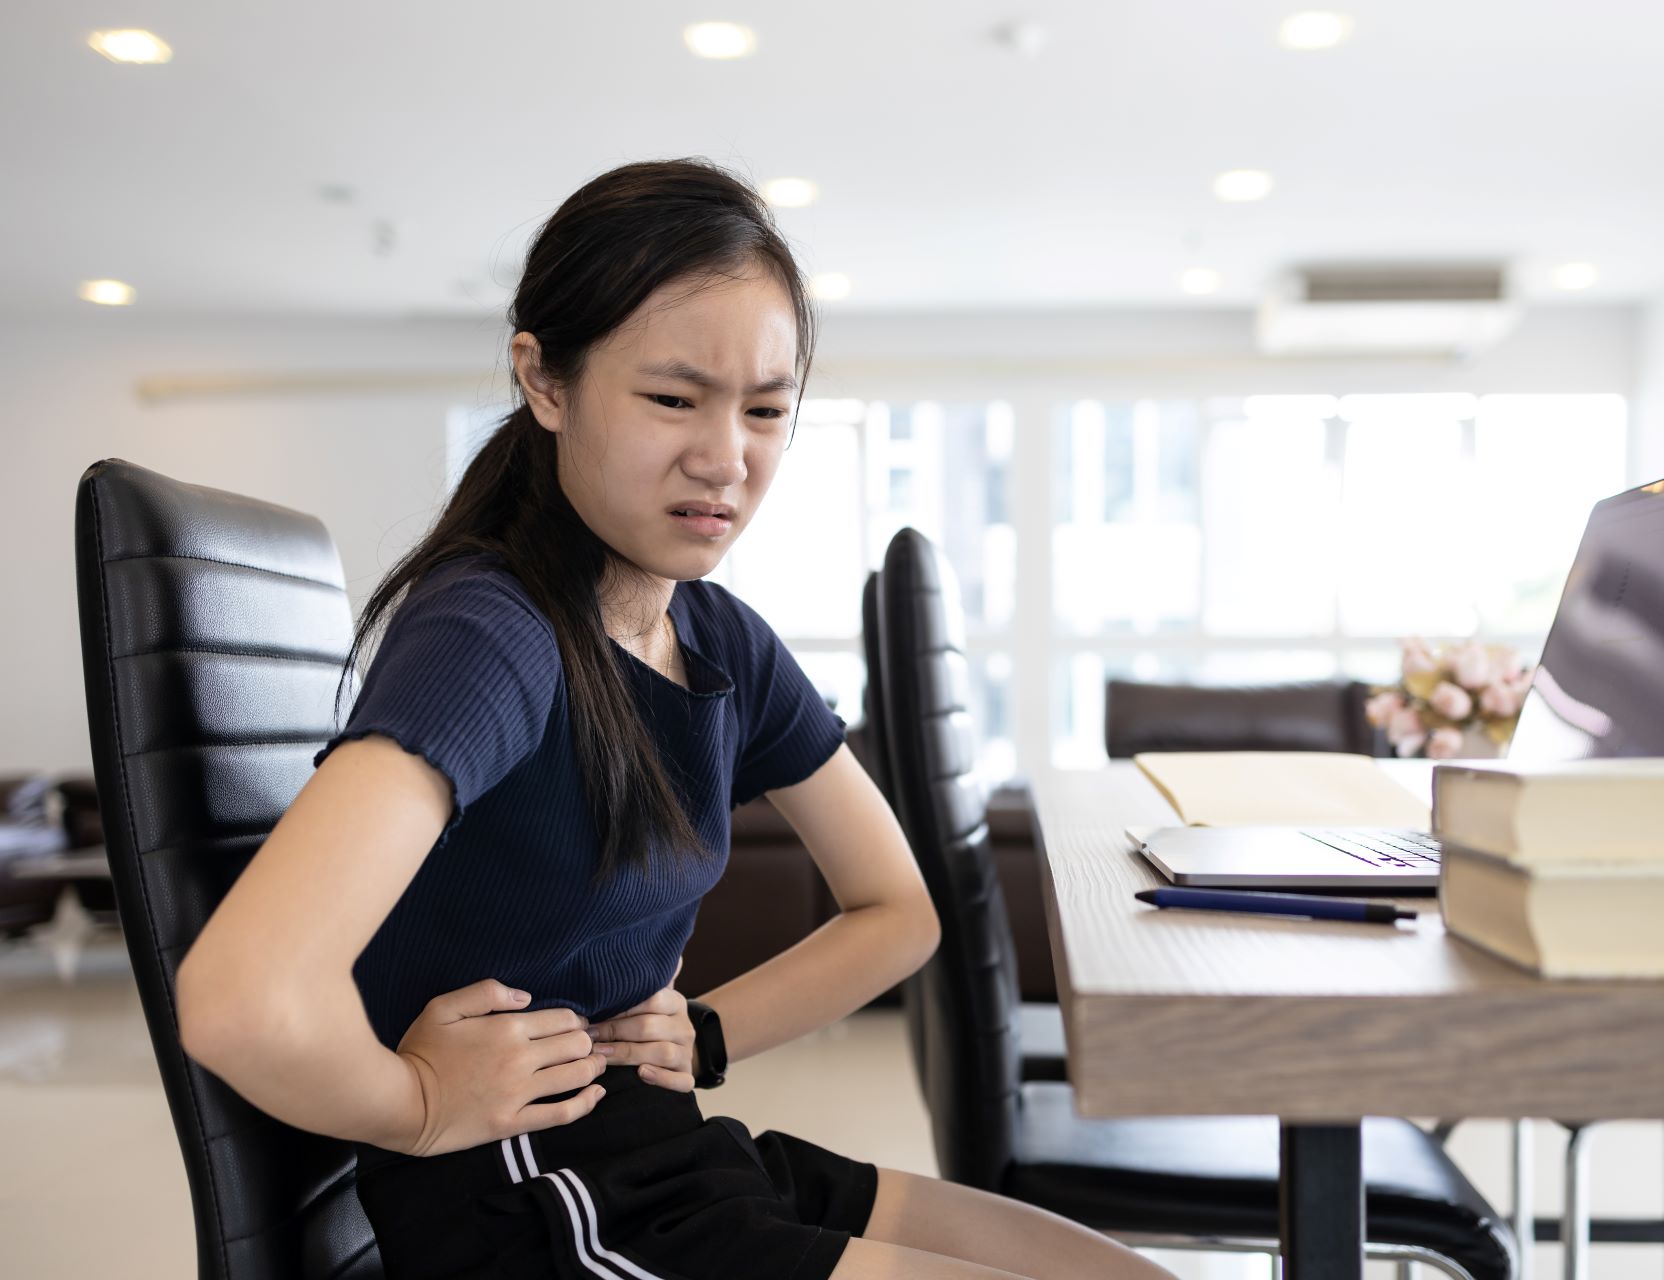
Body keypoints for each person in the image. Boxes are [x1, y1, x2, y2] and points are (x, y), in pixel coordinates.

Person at [174, 159, 1175, 1280]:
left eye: (765, 409)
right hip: (529, 1202)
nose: (726, 457)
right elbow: (237, 997)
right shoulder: (490, 635)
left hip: (665, 1148)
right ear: (544, 382)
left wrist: (707, 1030)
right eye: (671, 397)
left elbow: (899, 910)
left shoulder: (716, 635)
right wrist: (413, 1102)